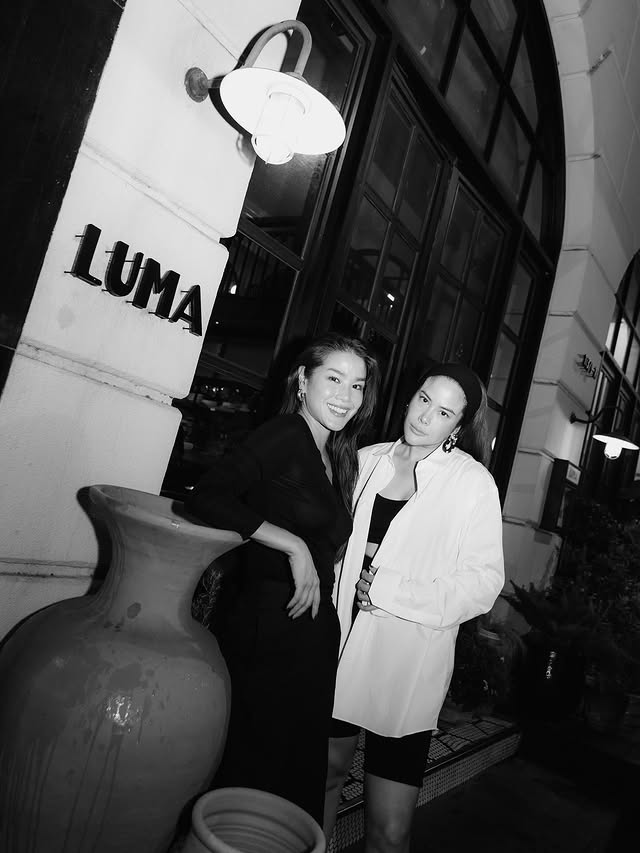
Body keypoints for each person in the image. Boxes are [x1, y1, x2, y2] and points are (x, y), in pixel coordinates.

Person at [185, 333, 379, 824]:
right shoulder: (287, 433)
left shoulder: (335, 453)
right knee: (253, 779)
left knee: (286, 788)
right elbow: (208, 496)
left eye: (357, 386)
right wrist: (291, 545)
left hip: (308, 641)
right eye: (334, 379)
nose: (346, 396)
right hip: (268, 630)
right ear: (303, 380)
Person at [324, 362, 505, 853]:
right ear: (411, 397)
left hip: (406, 661)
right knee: (322, 782)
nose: (425, 417)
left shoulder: (472, 484)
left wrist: (392, 590)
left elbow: (483, 583)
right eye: (424, 400)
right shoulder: (365, 460)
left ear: (459, 426)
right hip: (337, 647)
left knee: (389, 828)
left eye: (444, 412)